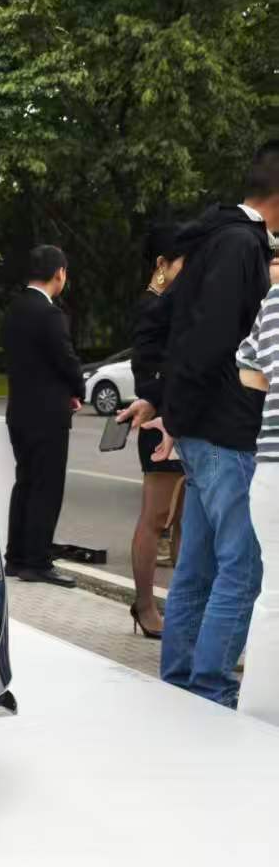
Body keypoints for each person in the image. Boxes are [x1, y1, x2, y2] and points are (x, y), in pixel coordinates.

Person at [146, 140, 279, 708]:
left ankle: (180, 682)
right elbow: (211, 339)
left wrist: (174, 411)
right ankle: (209, 689)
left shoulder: (211, 238)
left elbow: (171, 324)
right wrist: (180, 411)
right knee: (240, 570)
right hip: (227, 430)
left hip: (203, 427)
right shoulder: (241, 245)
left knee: (197, 567)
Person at [113, 224, 188, 639]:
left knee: (184, 522)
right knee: (156, 517)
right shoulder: (152, 306)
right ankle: (144, 605)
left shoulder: (176, 302)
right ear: (162, 264)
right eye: (184, 263)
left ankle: (182, 607)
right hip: (158, 421)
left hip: (183, 419)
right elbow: (146, 372)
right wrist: (162, 398)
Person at [2, 245, 82, 587]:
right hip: (48, 414)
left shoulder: (15, 309)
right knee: (46, 487)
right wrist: (77, 388)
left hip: (19, 410)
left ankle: (15, 557)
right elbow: (65, 358)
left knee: (25, 482)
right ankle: (37, 561)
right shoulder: (49, 314)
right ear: (59, 273)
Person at [235, 252, 279, 726]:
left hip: (270, 467)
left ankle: (260, 717)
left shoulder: (274, 301)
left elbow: (247, 367)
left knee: (273, 598)